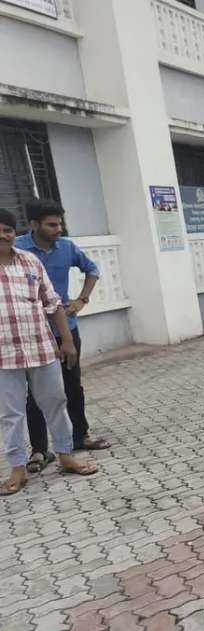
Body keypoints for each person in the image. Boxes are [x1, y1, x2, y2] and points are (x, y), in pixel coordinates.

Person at [0, 208, 98, 495]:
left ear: (13, 233)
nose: (3, 235)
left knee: (56, 402)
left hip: (42, 349)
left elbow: (52, 303)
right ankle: (17, 469)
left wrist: (66, 341)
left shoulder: (29, 261)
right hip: (4, 358)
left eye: (7, 230)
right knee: (10, 414)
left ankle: (66, 455)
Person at [15, 199, 110, 473]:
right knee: (33, 393)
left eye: (60, 223)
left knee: (72, 386)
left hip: (65, 330)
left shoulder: (67, 247)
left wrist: (82, 300)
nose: (59, 229)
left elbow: (92, 270)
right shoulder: (18, 250)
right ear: (34, 224)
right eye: (51, 224)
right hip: (31, 333)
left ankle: (80, 436)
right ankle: (39, 450)